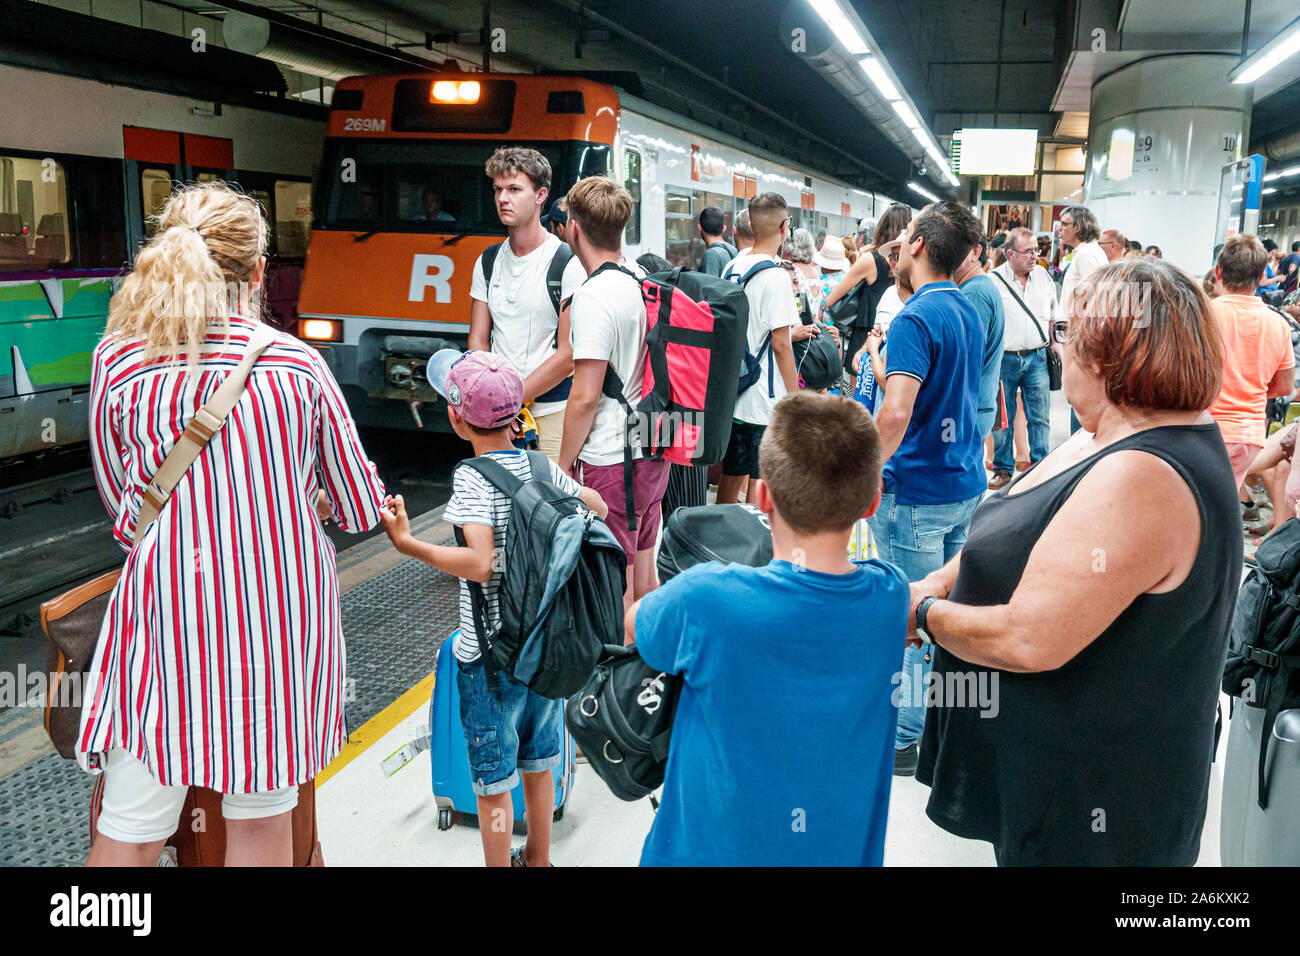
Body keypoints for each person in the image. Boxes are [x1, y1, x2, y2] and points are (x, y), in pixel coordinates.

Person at [82, 182, 386, 866]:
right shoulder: (295, 365)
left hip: (166, 624)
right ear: (257, 273)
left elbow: (119, 504)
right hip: (276, 632)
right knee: (259, 822)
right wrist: (294, 497)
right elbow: (361, 505)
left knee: (129, 826)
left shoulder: (118, 357)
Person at [910, 257, 1241, 865]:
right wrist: (940, 577)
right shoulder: (1112, 436)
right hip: (1065, 782)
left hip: (1096, 810)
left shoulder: (1143, 474)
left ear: (1111, 356)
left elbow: (1028, 640)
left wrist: (926, 614)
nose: (1061, 352)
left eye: (1069, 336)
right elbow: (1020, 528)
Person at [627, 391, 907, 866]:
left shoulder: (706, 598)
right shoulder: (890, 597)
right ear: (872, 502)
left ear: (762, 497)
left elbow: (637, 626)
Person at [382, 349, 606, 867]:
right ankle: (540, 860)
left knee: (493, 779)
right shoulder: (540, 463)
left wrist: (409, 544)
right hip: (545, 645)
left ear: (457, 417)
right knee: (539, 761)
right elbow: (594, 508)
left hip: (489, 656)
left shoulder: (472, 476)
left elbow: (479, 562)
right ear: (515, 413)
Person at [868, 200, 986, 774]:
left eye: (907, 232)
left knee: (908, 618)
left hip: (914, 492)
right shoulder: (966, 308)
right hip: (962, 484)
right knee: (945, 611)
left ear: (917, 246)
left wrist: (859, 467)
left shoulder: (914, 317)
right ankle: (937, 727)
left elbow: (896, 414)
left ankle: (902, 743)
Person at [559, 176, 668, 611]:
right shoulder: (642, 277)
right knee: (645, 574)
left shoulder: (594, 295)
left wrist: (563, 465)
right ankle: (652, 670)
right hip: (652, 445)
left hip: (610, 459)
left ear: (575, 229)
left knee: (615, 590)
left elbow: (585, 396)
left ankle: (621, 675)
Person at [468, 148, 586, 463]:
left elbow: (568, 355)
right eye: (498, 190)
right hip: (497, 421)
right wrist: (491, 403)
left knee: (549, 507)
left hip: (550, 416)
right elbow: (478, 339)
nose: (502, 199)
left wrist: (508, 400)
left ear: (540, 195)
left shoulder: (566, 264)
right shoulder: (488, 261)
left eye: (514, 189)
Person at [717, 193, 800, 505]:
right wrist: (795, 399)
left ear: (749, 224)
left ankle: (720, 542)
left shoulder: (732, 267)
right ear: (784, 227)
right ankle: (754, 550)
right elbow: (781, 344)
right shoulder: (776, 276)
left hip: (734, 393)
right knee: (762, 485)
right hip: (764, 402)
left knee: (731, 478)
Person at [1206, 234, 1295, 490]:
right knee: (1224, 501)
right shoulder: (1279, 324)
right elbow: (1284, 387)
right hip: (1250, 437)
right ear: (1260, 276)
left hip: (1205, 430)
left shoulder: (1204, 315)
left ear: (1218, 273)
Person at [987, 227, 1057, 489]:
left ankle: (1040, 466)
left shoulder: (1043, 277)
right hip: (1003, 360)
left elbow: (1053, 315)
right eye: (1028, 251)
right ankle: (1003, 469)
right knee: (1002, 417)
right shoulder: (993, 281)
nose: (1034, 256)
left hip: (1037, 357)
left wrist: (1058, 347)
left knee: (1040, 415)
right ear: (1010, 254)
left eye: (1036, 251)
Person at [829, 203, 913, 375]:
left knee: (860, 397)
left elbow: (831, 299)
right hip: (898, 336)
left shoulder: (870, 259)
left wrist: (860, 258)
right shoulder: (912, 261)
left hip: (866, 336)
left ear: (881, 228)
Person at [1058, 205, 1106, 432]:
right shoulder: (1084, 253)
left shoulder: (1087, 255)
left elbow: (1095, 300)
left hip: (1082, 336)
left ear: (1078, 227)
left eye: (1064, 224)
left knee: (1078, 398)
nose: (1059, 229)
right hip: (1078, 333)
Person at [954, 237, 1005, 441]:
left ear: (975, 252)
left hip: (968, 412)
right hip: (974, 410)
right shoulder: (976, 287)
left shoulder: (974, 293)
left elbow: (965, 362)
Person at [698, 205, 737, 277]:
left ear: (700, 227)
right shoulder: (734, 250)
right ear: (724, 228)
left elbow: (710, 286)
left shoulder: (711, 254)